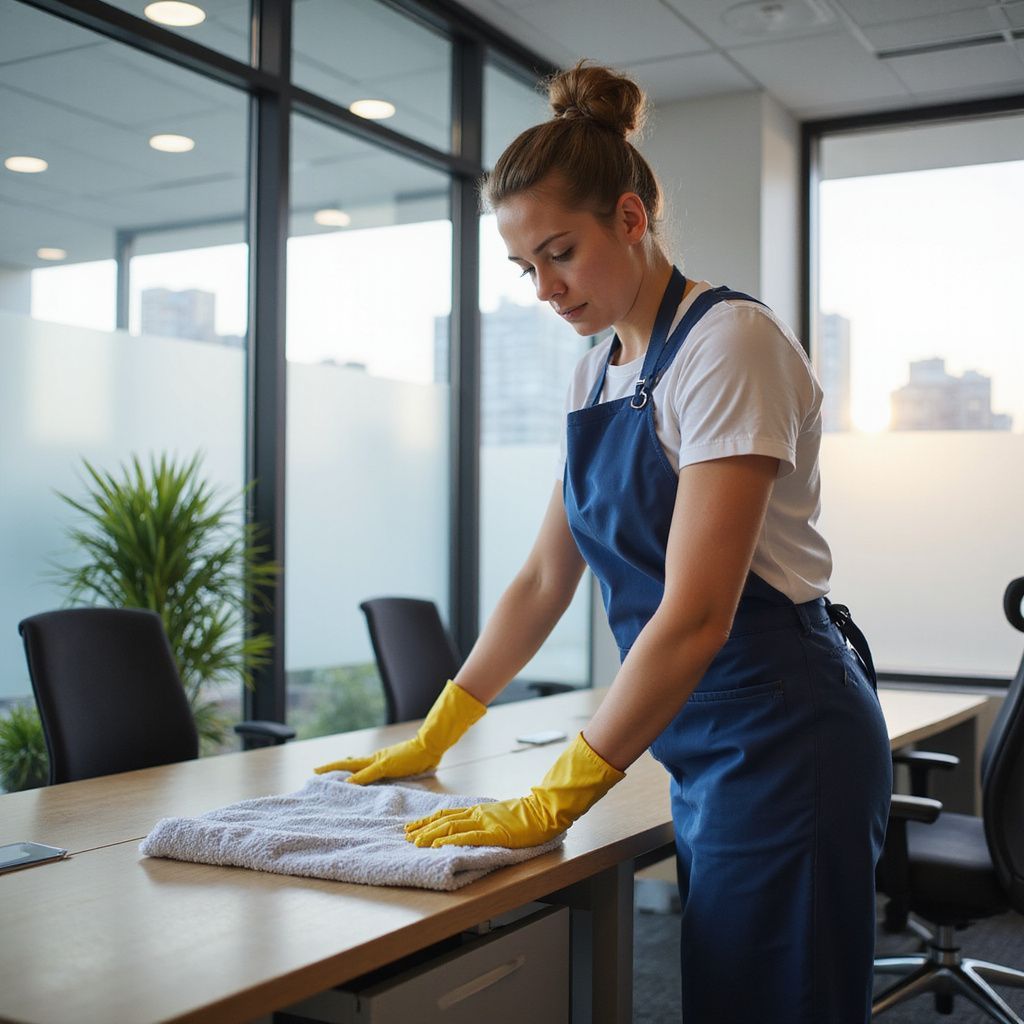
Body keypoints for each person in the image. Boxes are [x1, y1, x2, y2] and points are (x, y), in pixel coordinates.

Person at [316, 60, 892, 1022]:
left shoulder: (727, 346)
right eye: (524, 267)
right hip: (701, 738)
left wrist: (557, 796)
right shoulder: (596, 376)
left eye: (560, 253)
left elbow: (699, 612)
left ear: (631, 218)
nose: (543, 288)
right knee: (729, 996)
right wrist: (440, 726)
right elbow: (546, 577)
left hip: (787, 735)